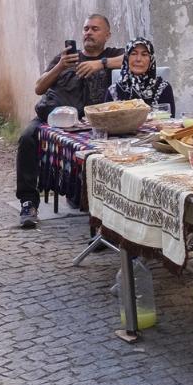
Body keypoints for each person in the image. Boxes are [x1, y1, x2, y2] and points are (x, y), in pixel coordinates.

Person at [14, 14, 126, 229]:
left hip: (91, 121)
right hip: (52, 117)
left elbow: (135, 59)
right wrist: (59, 66)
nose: (89, 33)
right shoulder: (66, 58)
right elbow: (39, 88)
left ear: (107, 35)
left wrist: (100, 64)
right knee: (27, 137)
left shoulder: (112, 55)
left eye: (95, 29)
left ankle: (88, 197)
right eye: (86, 29)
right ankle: (28, 203)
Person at [107, 37, 175, 116]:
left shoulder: (163, 88)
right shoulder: (114, 90)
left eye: (144, 54)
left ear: (151, 59)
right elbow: (107, 120)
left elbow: (169, 119)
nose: (138, 59)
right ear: (127, 58)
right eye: (134, 54)